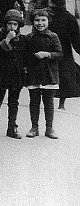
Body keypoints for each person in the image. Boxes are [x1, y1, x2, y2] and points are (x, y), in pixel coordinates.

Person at [0, 9, 26, 139]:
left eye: (15, 24)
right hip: (0, 74)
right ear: (5, 24)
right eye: (9, 24)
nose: (12, 27)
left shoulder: (22, 39)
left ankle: (12, 127)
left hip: (15, 74)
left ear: (19, 25)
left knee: (13, 102)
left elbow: (25, 58)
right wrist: (6, 40)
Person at [23, 9, 63, 139]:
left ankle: (49, 128)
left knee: (48, 102)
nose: (40, 23)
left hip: (49, 73)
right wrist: (26, 67)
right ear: (33, 22)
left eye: (43, 20)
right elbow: (25, 55)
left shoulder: (53, 36)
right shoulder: (29, 38)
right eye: (37, 20)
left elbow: (60, 54)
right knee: (34, 101)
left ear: (48, 21)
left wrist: (47, 54)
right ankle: (34, 127)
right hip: (34, 73)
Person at [45, 0, 80, 110]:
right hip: (65, 53)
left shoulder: (47, 16)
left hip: (50, 52)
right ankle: (61, 105)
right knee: (64, 79)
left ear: (52, 3)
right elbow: (76, 40)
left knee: (49, 77)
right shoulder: (70, 18)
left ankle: (49, 103)